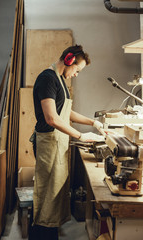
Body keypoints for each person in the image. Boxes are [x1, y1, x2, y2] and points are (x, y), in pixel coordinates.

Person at [29, 44, 104, 240]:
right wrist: (81, 136)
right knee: (47, 195)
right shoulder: (47, 78)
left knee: (54, 196)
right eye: (77, 70)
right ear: (69, 60)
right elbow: (52, 118)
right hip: (48, 144)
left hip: (58, 144)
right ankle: (40, 235)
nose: (77, 74)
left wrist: (92, 122)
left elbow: (65, 112)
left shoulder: (60, 80)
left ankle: (50, 233)